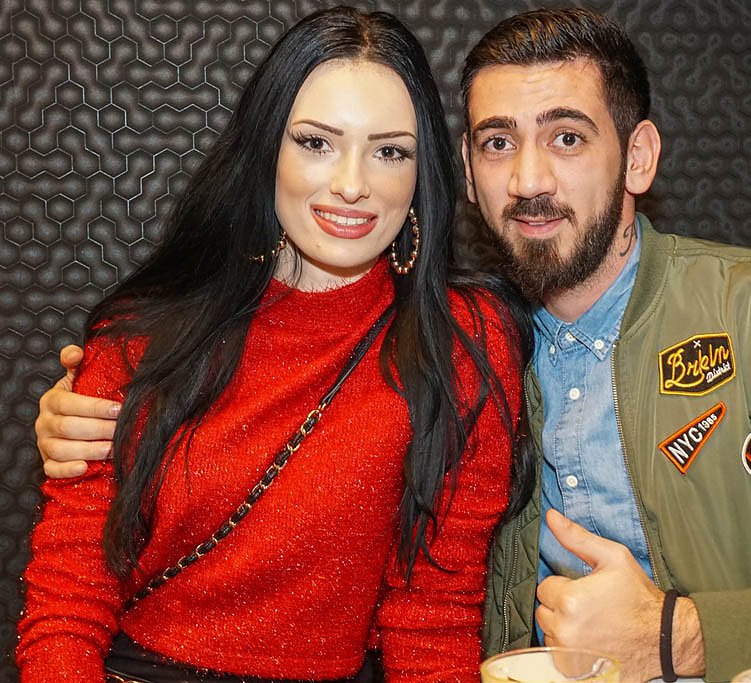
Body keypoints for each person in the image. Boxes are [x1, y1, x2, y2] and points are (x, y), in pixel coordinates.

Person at [33, 6, 751, 683]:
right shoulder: (476, 345)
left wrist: (681, 634)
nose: (530, 179)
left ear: (638, 157)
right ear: (466, 173)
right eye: (498, 142)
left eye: (568, 137)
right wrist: (106, 410)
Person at [18, 5, 530, 682]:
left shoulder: (463, 343)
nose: (352, 184)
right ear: (267, 149)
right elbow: (69, 596)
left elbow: (433, 620)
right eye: (316, 142)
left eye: (389, 151)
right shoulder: (145, 332)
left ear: (420, 175)